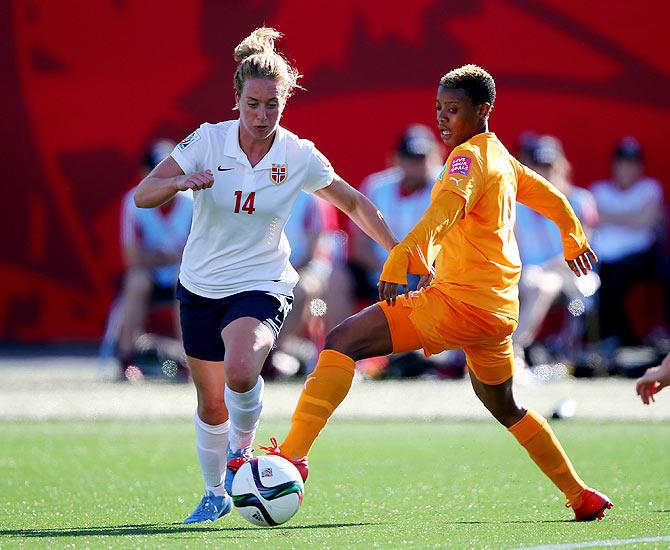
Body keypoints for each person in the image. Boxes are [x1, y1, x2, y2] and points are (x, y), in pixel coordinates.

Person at [263, 64, 612, 521]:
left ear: (483, 110)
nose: (443, 119)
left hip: (458, 303)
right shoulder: (499, 156)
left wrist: (401, 256)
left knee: (343, 340)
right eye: (439, 109)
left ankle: (291, 456)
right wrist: (572, 234)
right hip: (496, 315)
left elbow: (444, 213)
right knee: (506, 406)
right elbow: (550, 195)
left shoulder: (468, 160)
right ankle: (580, 493)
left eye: (454, 110)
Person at [133, 27, 398, 524]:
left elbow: (355, 203)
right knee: (211, 401)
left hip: (263, 281)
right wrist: (181, 182)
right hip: (200, 285)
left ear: (285, 102)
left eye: (271, 105)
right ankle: (214, 492)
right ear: (236, 99)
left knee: (242, 366)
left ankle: (241, 455)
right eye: (252, 104)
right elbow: (144, 193)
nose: (261, 116)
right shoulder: (208, 141)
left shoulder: (298, 154)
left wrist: (400, 252)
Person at [514, 135, 599, 360]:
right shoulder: (515, 206)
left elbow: (582, 249)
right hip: (525, 275)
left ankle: (512, 351)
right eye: (538, 166)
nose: (545, 172)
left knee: (544, 284)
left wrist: (544, 269)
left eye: (549, 166)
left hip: (571, 274)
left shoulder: (580, 201)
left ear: (562, 166)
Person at [116, 139, 192, 379]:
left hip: (182, 272)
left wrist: (160, 258)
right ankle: (127, 359)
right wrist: (172, 257)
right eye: (156, 171)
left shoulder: (192, 202)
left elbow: (200, 255)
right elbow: (132, 260)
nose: (164, 178)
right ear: (144, 174)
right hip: (150, 273)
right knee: (137, 281)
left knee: (186, 280)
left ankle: (189, 360)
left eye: (168, 170)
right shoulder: (133, 202)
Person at [346, 124, 443, 308]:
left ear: (436, 156)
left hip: (428, 277)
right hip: (379, 273)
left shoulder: (445, 188)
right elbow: (360, 246)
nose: (416, 166)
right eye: (410, 158)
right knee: (337, 277)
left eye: (421, 159)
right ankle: (337, 335)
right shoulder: (376, 186)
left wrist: (415, 271)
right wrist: (390, 270)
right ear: (396, 159)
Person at [589, 137, 666, 347]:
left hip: (642, 258)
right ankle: (625, 341)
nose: (626, 169)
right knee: (600, 293)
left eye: (632, 164)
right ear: (613, 166)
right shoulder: (599, 190)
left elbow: (645, 221)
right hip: (605, 261)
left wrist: (609, 215)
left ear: (640, 167)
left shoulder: (650, 188)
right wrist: (632, 217)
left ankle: (657, 337)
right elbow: (592, 219)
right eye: (622, 163)